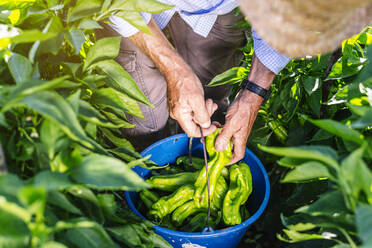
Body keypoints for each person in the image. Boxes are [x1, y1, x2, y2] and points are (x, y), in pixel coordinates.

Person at [96, 0, 371, 164]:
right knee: (143, 113)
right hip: (128, 7)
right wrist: (174, 71)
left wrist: (253, 95)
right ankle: (146, 161)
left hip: (216, 7)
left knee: (210, 91)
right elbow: (119, 6)